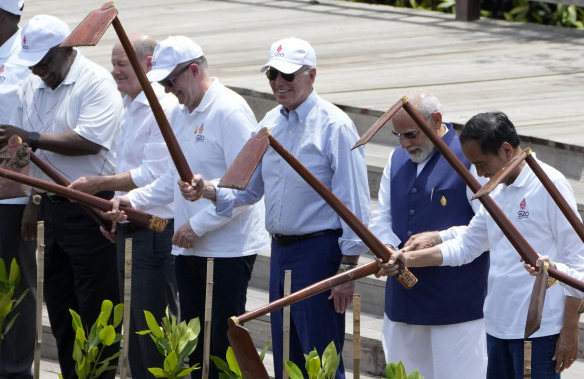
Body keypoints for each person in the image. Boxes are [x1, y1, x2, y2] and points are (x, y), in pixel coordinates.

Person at [181, 37, 371, 379]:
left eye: (288, 75)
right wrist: (206, 189)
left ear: (311, 75)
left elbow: (354, 202)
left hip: (320, 253)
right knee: (286, 352)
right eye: (272, 74)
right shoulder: (269, 122)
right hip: (281, 251)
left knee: (320, 357)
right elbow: (246, 190)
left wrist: (348, 269)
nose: (279, 83)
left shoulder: (335, 126)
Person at [107, 35, 269, 379]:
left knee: (221, 347)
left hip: (226, 249)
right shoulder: (181, 113)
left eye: (171, 81)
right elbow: (171, 178)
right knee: (194, 348)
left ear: (194, 70)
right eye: (162, 82)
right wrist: (131, 199)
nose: (167, 90)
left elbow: (247, 188)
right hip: (188, 248)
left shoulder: (230, 110)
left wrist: (199, 225)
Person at [378, 111, 584, 378]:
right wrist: (405, 260)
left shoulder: (549, 184)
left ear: (507, 150)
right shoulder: (494, 189)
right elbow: (467, 245)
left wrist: (569, 329)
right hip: (497, 325)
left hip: (538, 332)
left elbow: (578, 261)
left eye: (481, 163)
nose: (479, 173)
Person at [0, 15, 124, 379]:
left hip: (92, 210)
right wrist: (31, 200)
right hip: (52, 208)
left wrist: (31, 136)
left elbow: (89, 139)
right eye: (33, 63)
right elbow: (27, 152)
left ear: (66, 49)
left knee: (95, 308)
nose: (38, 70)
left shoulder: (95, 82)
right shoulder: (32, 85)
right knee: (61, 306)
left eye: (44, 61)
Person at [69, 33, 179, 379]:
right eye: (113, 63)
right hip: (130, 220)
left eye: (121, 64)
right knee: (132, 324)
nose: (114, 71)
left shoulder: (163, 106)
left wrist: (101, 185)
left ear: (148, 64)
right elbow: (125, 165)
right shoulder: (130, 104)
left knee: (153, 325)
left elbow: (154, 173)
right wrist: (114, 208)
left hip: (157, 226)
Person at [368, 91, 489, 379]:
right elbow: (382, 216)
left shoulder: (470, 159)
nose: (404, 143)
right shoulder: (395, 158)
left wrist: (439, 236)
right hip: (404, 302)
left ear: (436, 121)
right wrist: (386, 248)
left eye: (411, 134)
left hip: (456, 305)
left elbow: (486, 229)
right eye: (398, 135)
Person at [0, 0, 36, 378]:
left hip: (11, 197)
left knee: (15, 287)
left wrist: (34, 198)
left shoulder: (25, 61)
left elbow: (35, 131)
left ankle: (14, 370)